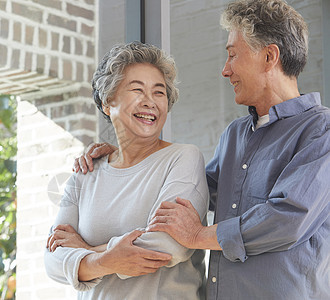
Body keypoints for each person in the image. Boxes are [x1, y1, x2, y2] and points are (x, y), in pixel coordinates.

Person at [74, 1, 330, 299]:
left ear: (269, 57)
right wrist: (124, 156)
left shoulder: (320, 131)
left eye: (232, 55)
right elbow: (186, 193)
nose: (225, 70)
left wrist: (198, 236)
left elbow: (287, 219)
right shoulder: (236, 135)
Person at [44, 41, 209, 299]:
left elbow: (168, 245)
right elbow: (53, 259)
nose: (150, 102)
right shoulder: (87, 171)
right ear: (108, 101)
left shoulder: (182, 158)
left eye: (159, 92)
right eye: (137, 90)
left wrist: (85, 252)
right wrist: (107, 260)